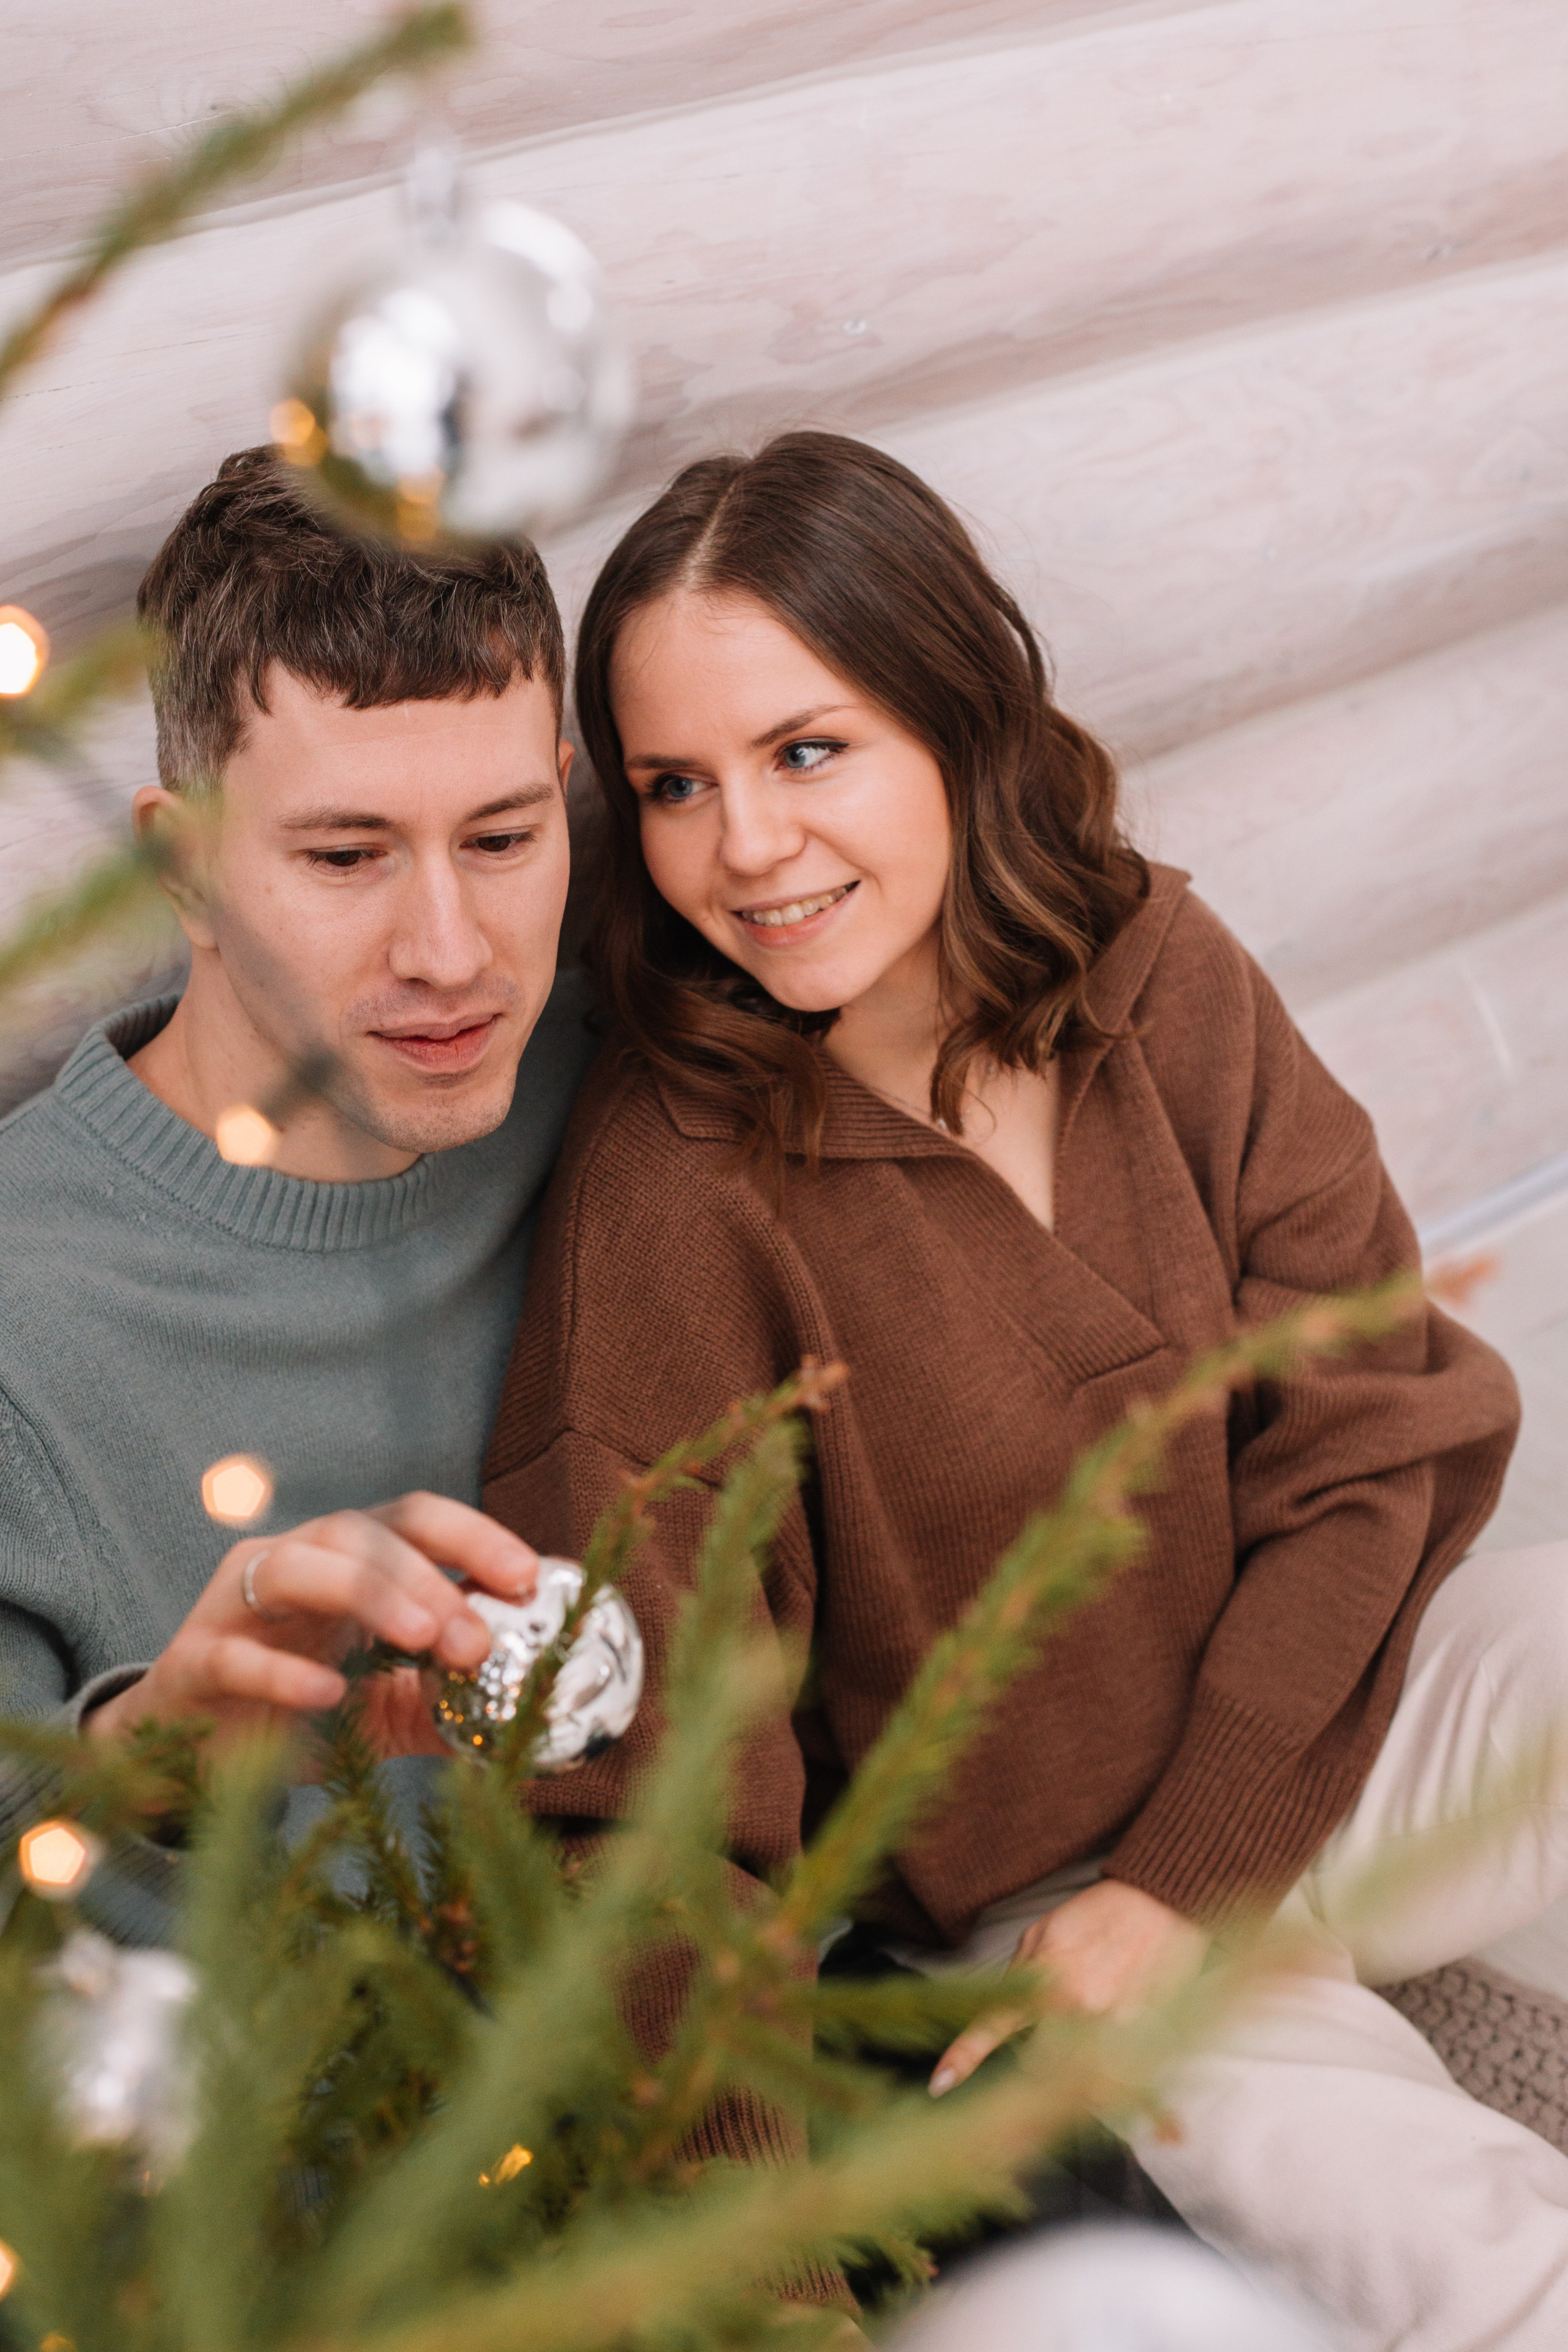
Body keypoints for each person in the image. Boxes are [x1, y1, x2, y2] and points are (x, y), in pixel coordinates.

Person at [483, 430, 1568, 2350]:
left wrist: (1198, 1868)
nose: (743, 846)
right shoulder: (672, 1200)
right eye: (674, 786)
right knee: (1481, 2265)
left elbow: (1373, 1426)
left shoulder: (1161, 969)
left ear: (956, 721)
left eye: (807, 750)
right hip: (1047, 1921)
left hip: (1349, 1728)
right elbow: (647, 1830)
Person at [0, 448, 594, 1923]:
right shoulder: (24, 1315)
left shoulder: (624, 1084)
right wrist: (149, 1769)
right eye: (348, 855)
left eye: (505, 839)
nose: (452, 952)